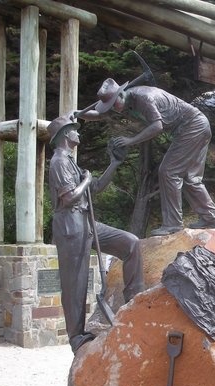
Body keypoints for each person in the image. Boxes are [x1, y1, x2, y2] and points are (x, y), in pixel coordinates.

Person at [74, 79, 215, 237]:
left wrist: (131, 140)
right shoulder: (122, 102)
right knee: (191, 177)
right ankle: (210, 218)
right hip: (194, 127)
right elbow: (100, 114)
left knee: (168, 172)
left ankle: (173, 224)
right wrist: (78, 114)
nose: (115, 110)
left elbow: (157, 126)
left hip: (192, 126)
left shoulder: (143, 98)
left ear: (121, 94)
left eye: (113, 105)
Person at [47, 116, 144, 354]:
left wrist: (114, 163)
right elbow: (69, 197)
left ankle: (135, 301)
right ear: (65, 136)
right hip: (70, 224)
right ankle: (76, 336)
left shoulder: (71, 162)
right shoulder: (59, 161)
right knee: (75, 283)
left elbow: (96, 188)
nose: (79, 134)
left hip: (85, 221)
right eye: (74, 131)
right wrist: (86, 180)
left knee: (130, 243)